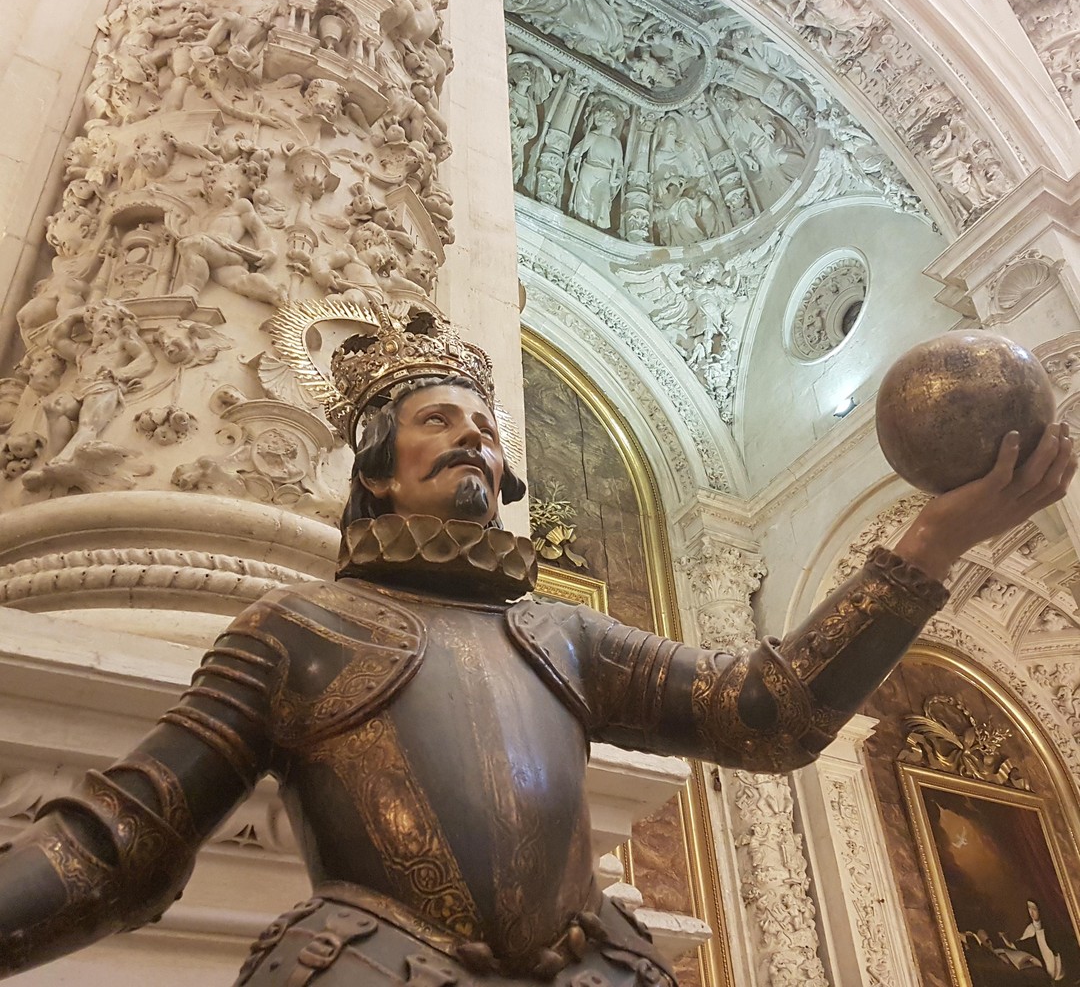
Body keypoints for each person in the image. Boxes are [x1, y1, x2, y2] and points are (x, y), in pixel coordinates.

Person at [0, 305, 1074, 985]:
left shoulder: (558, 632)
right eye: (438, 419)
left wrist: (930, 543)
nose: (473, 435)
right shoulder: (299, 628)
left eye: (486, 426)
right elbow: (128, 836)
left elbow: (767, 712)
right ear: (376, 470)